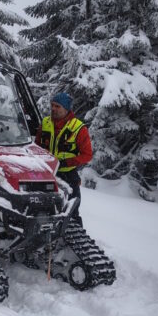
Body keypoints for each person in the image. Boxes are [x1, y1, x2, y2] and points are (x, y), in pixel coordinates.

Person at [36, 92, 93, 224]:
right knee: (41, 208)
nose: (53, 109)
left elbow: (87, 155)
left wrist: (66, 162)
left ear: (66, 109)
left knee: (71, 213)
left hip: (67, 176)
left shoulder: (78, 128)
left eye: (57, 106)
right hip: (45, 173)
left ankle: (74, 240)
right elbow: (37, 145)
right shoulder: (45, 122)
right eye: (52, 105)